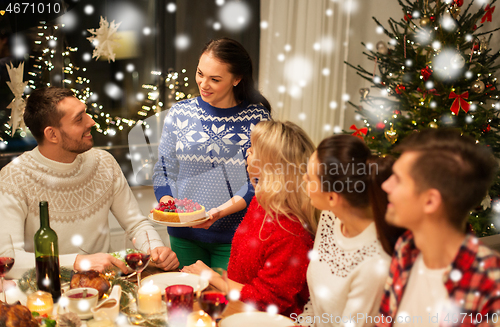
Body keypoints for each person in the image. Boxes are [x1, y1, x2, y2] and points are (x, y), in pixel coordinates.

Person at [0, 87, 179, 279]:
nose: (91, 122)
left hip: (105, 289)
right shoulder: (13, 178)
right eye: (79, 119)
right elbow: (9, 259)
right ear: (52, 134)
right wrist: (78, 262)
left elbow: (136, 224)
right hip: (45, 294)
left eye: (85, 113)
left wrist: (156, 248)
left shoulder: (104, 162)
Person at [153, 37, 272, 269]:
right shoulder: (179, 113)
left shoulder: (257, 118)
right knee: (186, 301)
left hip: (236, 236)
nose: (203, 84)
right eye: (200, 73)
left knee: (227, 303)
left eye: (215, 79)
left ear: (237, 79)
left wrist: (219, 212)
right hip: (183, 235)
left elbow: (258, 180)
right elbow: (164, 169)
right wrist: (167, 204)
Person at [182, 120, 317, 316]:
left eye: (253, 150)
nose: (247, 153)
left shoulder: (291, 235)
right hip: (238, 311)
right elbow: (247, 274)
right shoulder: (260, 204)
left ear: (271, 168)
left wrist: (210, 275)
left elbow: (266, 301)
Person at [377, 129, 500, 327]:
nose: (385, 186)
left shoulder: (491, 283)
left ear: (430, 201)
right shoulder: (405, 248)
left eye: (397, 179)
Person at [296, 135, 404, 326]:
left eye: (310, 177)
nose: (304, 178)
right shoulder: (330, 217)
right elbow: (315, 302)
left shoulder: (375, 266)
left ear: (332, 197)